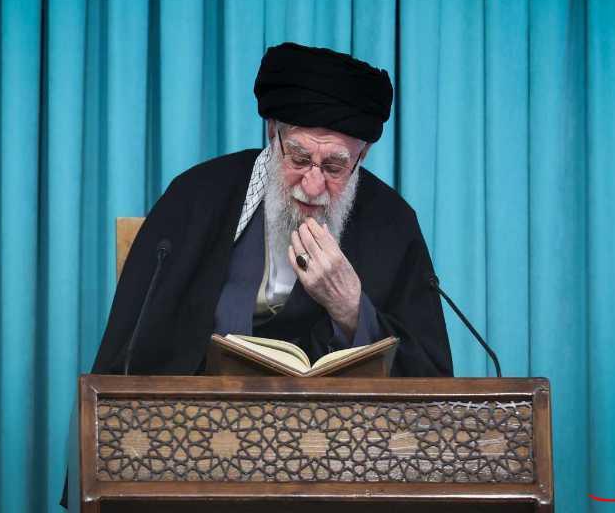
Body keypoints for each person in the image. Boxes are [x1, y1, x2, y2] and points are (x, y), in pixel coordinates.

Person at [91, 42, 453, 378]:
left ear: (363, 155)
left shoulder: (392, 223)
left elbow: (430, 380)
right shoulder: (195, 196)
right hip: (208, 415)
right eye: (299, 158)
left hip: (335, 423)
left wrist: (351, 309)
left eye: (334, 167)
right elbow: (132, 355)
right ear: (271, 132)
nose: (312, 186)